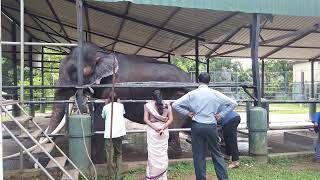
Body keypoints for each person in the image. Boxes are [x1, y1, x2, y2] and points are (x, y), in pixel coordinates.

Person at [172, 72, 237, 180]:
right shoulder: (215, 93)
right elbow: (233, 103)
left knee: (198, 155)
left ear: (198, 81)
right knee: (217, 154)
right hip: (211, 126)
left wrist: (187, 113)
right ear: (209, 82)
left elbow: (175, 104)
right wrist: (221, 114)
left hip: (197, 126)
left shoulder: (192, 94)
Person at [144, 90, 173, 180]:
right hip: (163, 131)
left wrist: (155, 128)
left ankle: (152, 176)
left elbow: (146, 119)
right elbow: (170, 119)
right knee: (163, 153)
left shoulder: (147, 105)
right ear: (162, 96)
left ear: (152, 97)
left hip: (153, 131)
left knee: (153, 154)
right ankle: (162, 176)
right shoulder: (167, 105)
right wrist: (163, 127)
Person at [101, 91, 126, 180]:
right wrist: (119, 103)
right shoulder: (121, 106)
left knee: (109, 156)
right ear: (117, 99)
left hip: (109, 135)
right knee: (119, 154)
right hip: (119, 134)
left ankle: (111, 177)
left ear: (108, 99)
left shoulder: (105, 107)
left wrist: (106, 104)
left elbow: (103, 116)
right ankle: (118, 176)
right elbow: (123, 113)